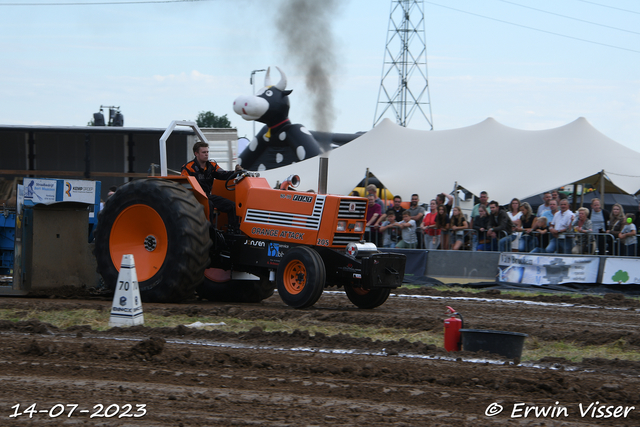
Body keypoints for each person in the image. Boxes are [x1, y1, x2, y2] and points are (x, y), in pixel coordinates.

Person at [181, 141, 237, 229]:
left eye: (207, 152)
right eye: (204, 152)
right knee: (209, 204)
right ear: (196, 154)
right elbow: (183, 185)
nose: (206, 154)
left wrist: (235, 173)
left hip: (207, 196)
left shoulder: (212, 166)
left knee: (232, 206)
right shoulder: (188, 167)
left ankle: (232, 232)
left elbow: (223, 174)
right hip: (194, 197)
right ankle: (210, 231)